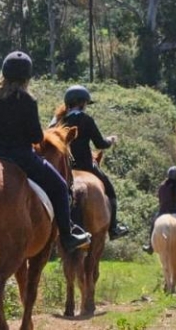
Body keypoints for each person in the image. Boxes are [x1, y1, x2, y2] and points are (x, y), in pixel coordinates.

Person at [0, 51, 91, 253]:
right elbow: (36, 137)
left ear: (4, 73)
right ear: (27, 77)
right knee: (60, 187)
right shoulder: (27, 101)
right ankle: (68, 236)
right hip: (22, 159)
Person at [50, 84, 131, 240]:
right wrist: (111, 140)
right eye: (86, 103)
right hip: (86, 166)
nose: (86, 106)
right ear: (81, 103)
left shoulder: (60, 121)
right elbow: (99, 144)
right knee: (109, 189)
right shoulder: (86, 119)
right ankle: (113, 228)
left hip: (65, 169)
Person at [142, 165, 176, 254]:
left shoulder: (162, 187)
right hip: (175, 211)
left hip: (163, 211)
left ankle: (150, 246)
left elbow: (160, 200)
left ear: (168, 174)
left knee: (153, 224)